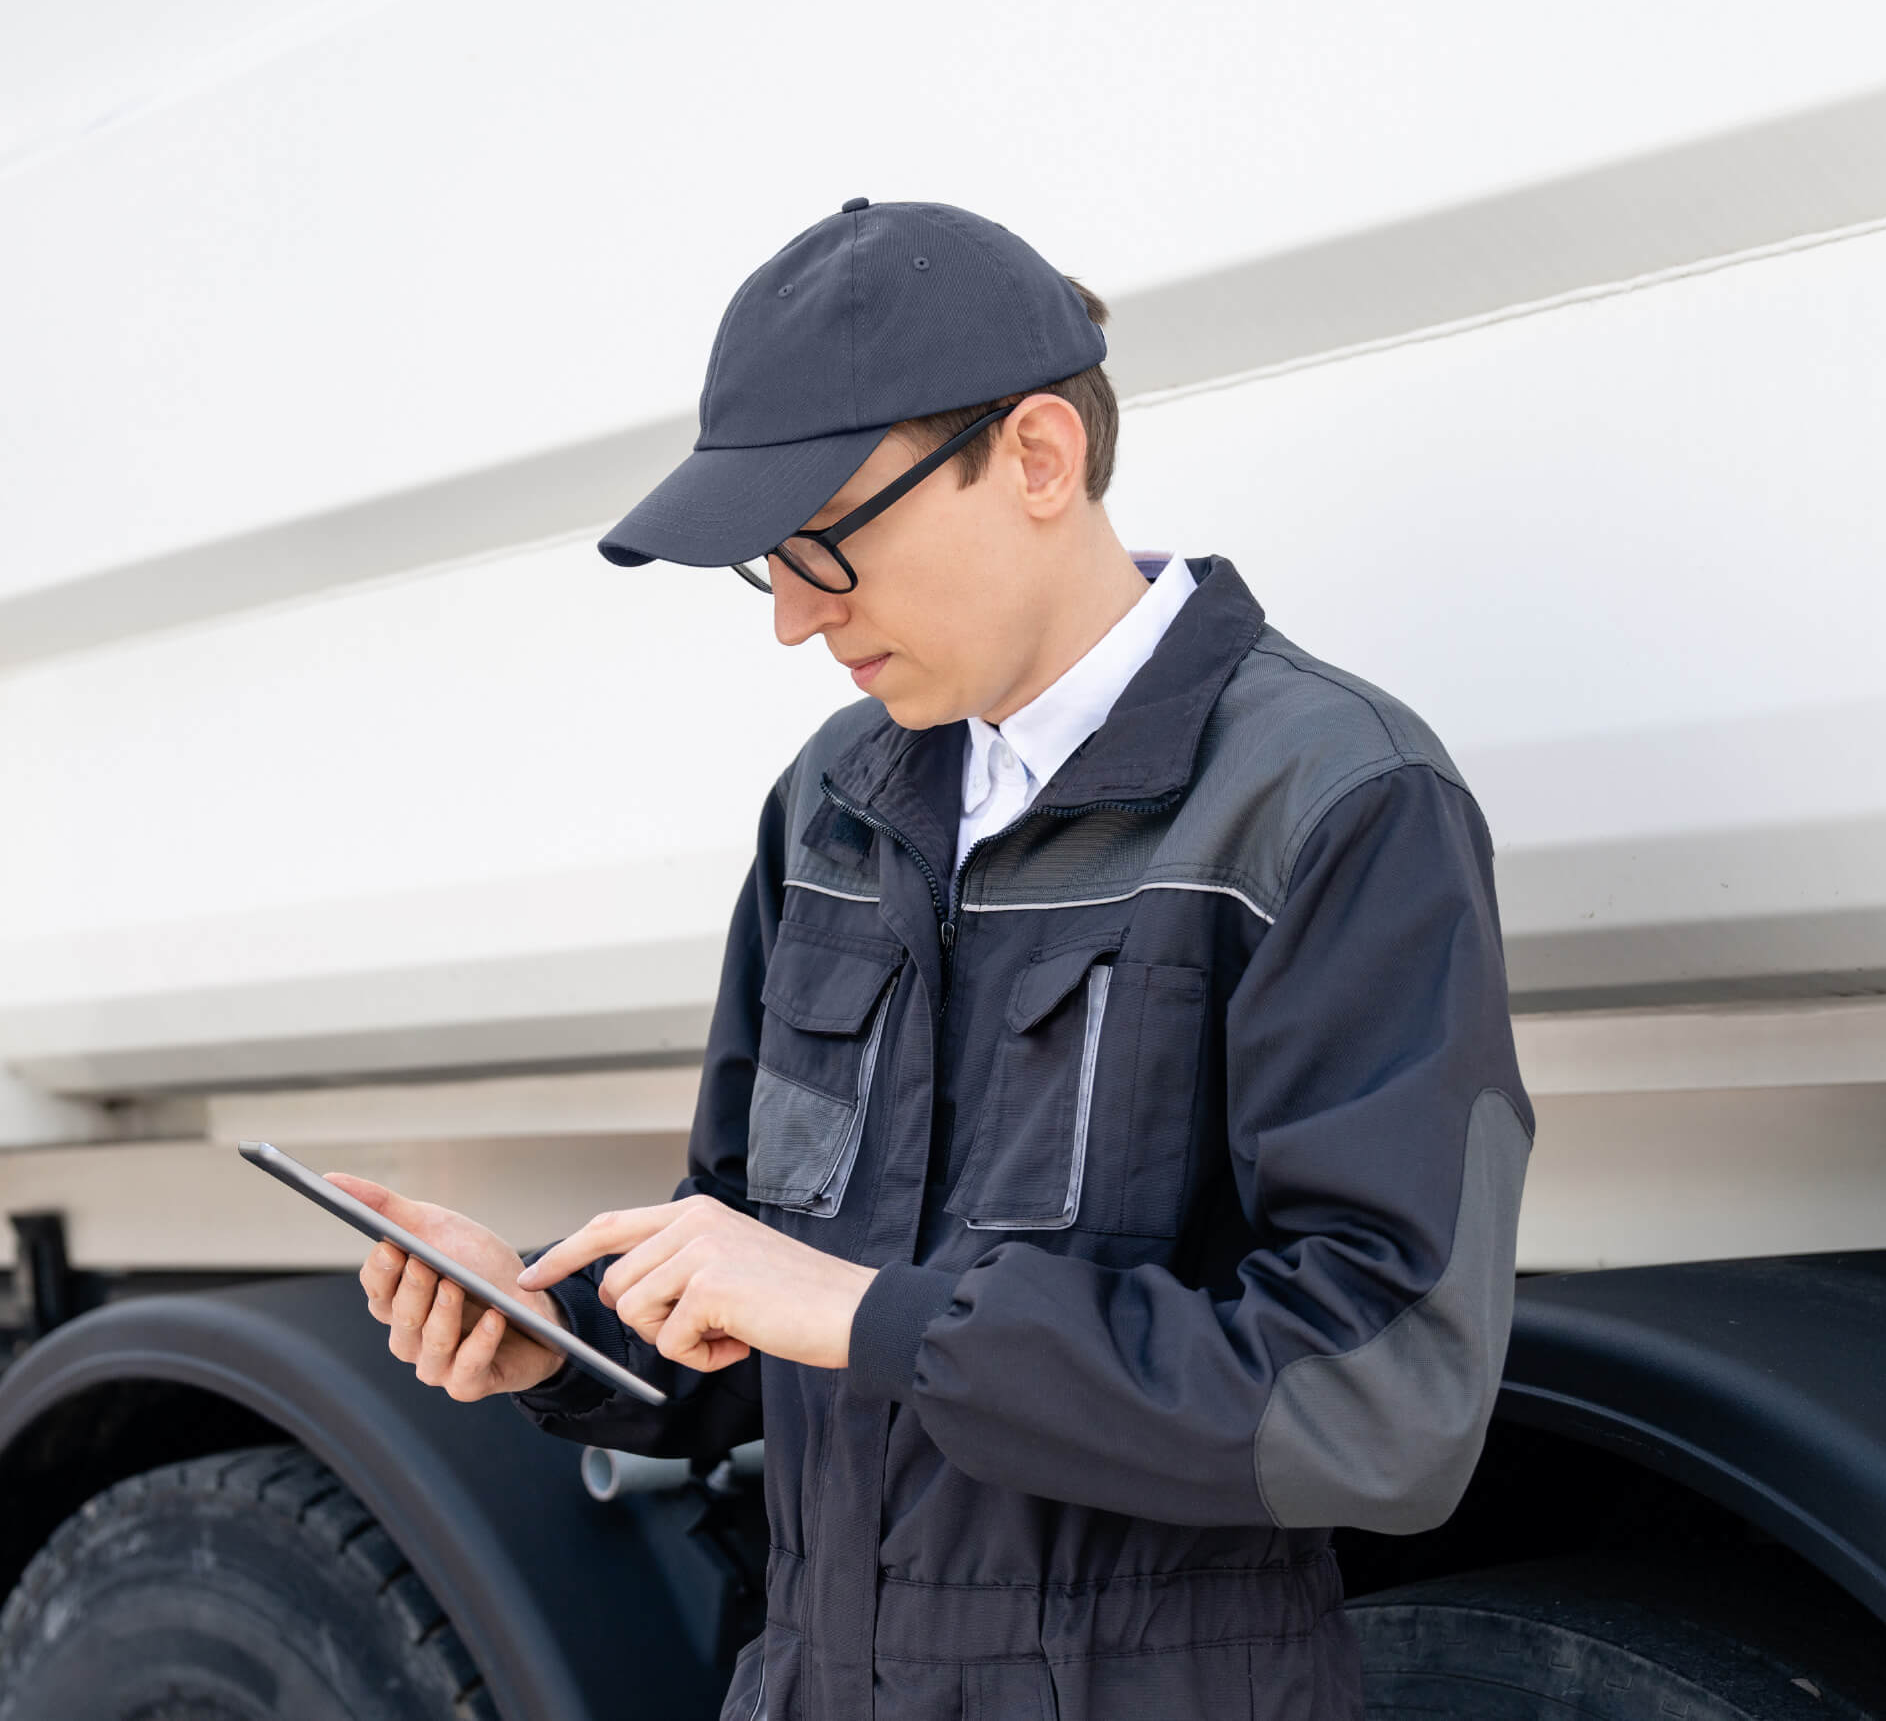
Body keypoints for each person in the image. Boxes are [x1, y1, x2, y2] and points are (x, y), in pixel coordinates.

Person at [335, 198, 1530, 1720]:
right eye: (766, 565)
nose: (790, 622)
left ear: (1035, 456)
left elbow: (1379, 1403)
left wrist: (868, 1316)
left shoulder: (1326, 800)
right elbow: (748, 1277)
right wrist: (551, 1335)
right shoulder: (835, 802)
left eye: (823, 546)